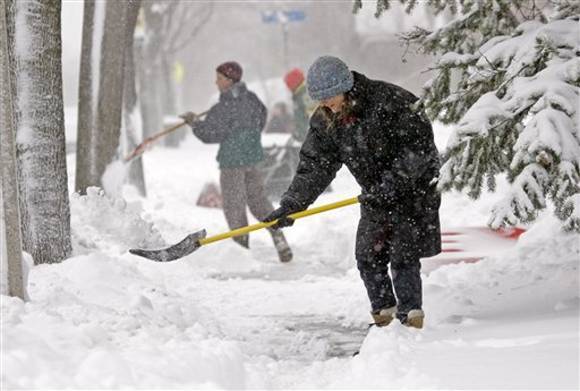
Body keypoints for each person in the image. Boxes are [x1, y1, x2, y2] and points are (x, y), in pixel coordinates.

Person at [265, 56, 441, 328]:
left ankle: (410, 320)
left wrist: (392, 183)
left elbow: (419, 149)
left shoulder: (390, 100)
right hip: (374, 196)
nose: (324, 103)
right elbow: (315, 166)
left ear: (345, 86)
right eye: (319, 98)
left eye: (329, 96)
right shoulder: (326, 118)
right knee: (368, 256)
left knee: (403, 256)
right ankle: (384, 318)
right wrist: (292, 205)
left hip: (411, 192)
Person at [180, 61, 292, 263]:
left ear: (230, 80)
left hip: (232, 162)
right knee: (259, 201)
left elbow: (209, 134)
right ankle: (279, 237)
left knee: (234, 206)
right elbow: (261, 119)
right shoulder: (252, 100)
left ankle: (242, 250)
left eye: (219, 78)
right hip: (253, 159)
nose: (216, 82)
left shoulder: (223, 107)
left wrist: (194, 122)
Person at [283, 68, 317, 143]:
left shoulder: (304, 94)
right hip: (304, 136)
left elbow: (312, 113)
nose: (287, 87)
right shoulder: (298, 95)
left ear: (294, 82)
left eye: (288, 83)